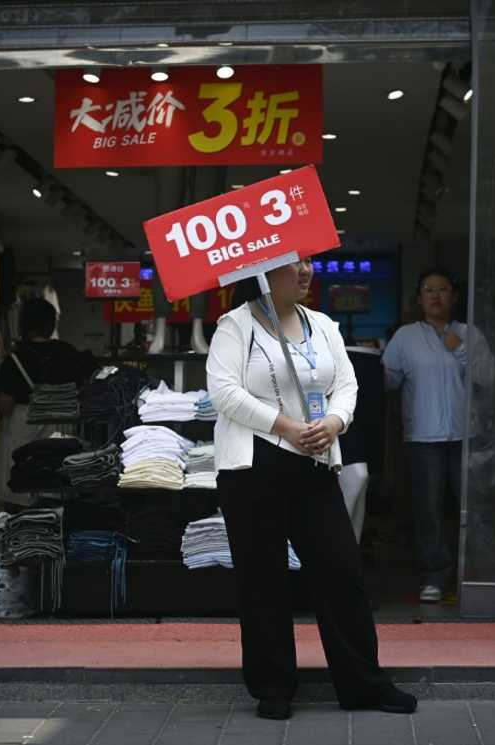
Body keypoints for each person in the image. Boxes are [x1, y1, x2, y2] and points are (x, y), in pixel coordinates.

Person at [207, 257, 416, 721]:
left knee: (341, 573)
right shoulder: (235, 325)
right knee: (264, 581)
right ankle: (273, 686)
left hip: (315, 463)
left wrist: (335, 422)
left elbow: (347, 384)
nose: (304, 271)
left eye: (307, 263)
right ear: (263, 270)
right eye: (291, 263)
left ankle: (363, 684)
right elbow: (224, 392)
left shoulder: (321, 324)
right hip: (252, 467)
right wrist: (284, 426)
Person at [382, 268, 495, 603]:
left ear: (454, 296)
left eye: (442, 289)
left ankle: (475, 574)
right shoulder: (405, 337)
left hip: (465, 435)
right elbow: (388, 380)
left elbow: (488, 377)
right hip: (423, 437)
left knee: (469, 507)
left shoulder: (469, 333)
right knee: (429, 510)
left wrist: (459, 349)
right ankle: (435, 576)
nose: (435, 296)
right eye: (428, 289)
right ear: (419, 299)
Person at [0, 298, 96, 510]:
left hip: (23, 427)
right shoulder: (68, 353)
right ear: (50, 324)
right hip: (60, 427)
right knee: (53, 501)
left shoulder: (15, 359)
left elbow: (4, 405)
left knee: (18, 498)